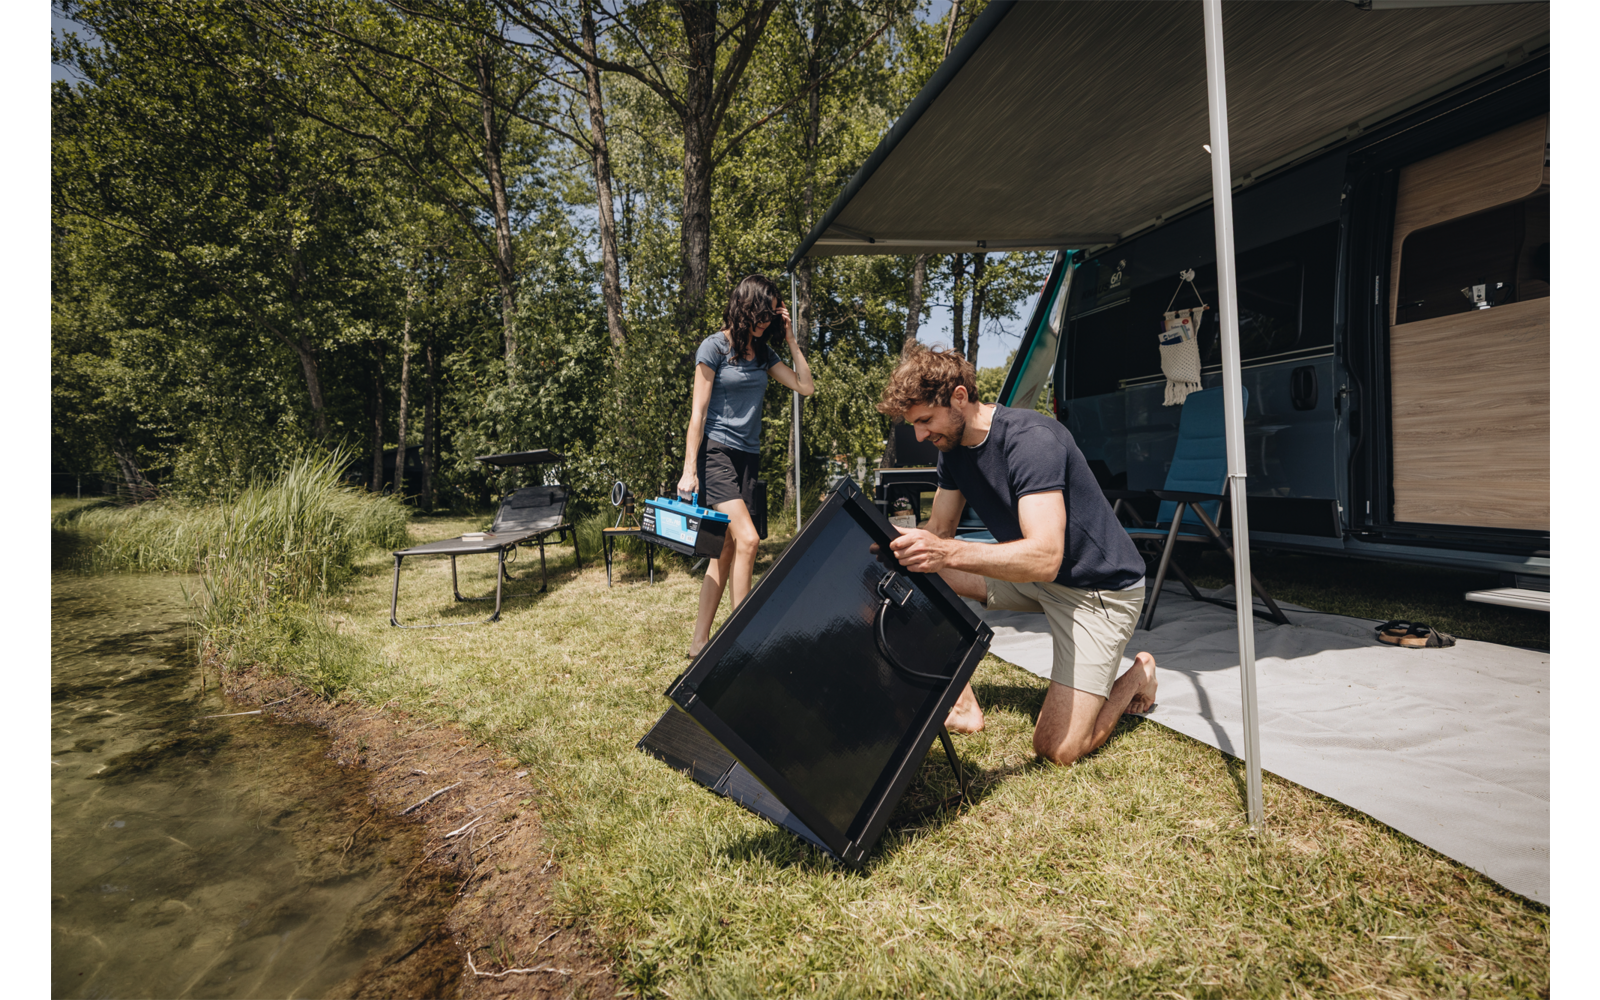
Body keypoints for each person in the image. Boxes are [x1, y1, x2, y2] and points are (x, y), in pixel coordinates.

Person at [876, 347, 1157, 766]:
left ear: (958, 398)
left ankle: (1138, 675)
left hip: (1098, 593)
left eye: (924, 421)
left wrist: (944, 551)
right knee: (915, 568)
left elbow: (1045, 555)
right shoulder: (952, 450)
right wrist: (888, 541)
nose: (919, 436)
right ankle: (960, 701)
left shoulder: (1031, 440)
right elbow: (939, 531)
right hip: (1039, 580)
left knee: (1058, 749)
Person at [680, 275, 814, 658]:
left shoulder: (765, 354)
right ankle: (744, 641)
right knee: (749, 540)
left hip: (748, 460)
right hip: (716, 455)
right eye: (762, 313)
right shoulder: (714, 348)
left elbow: (805, 387)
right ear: (744, 307)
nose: (766, 320)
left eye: (772, 315)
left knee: (723, 549)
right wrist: (690, 469)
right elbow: (698, 414)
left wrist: (789, 339)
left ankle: (699, 642)